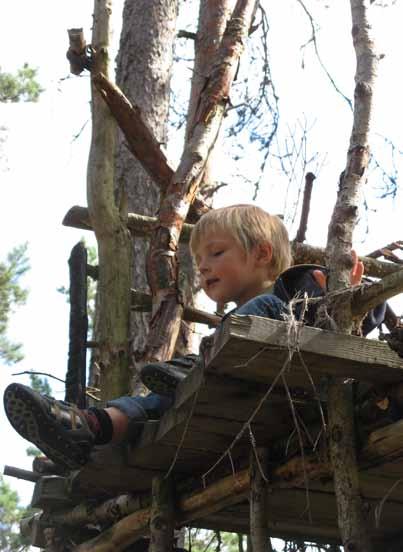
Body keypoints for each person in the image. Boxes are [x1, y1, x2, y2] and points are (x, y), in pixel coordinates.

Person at [3, 204, 365, 471]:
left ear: (262, 253)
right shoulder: (237, 316)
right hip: (235, 394)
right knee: (153, 404)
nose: (203, 265)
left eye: (216, 253)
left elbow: (360, 320)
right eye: (198, 258)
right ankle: (88, 432)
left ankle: (184, 376)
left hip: (293, 389)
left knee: (252, 318)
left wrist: (346, 291)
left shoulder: (298, 285)